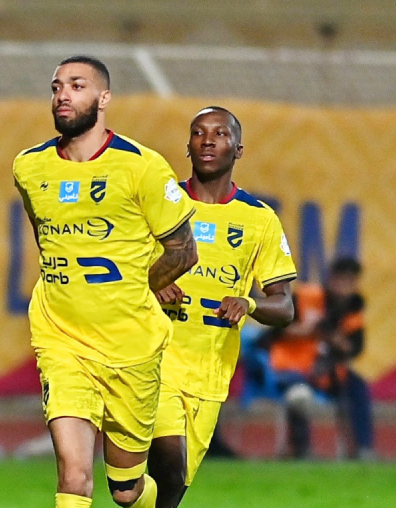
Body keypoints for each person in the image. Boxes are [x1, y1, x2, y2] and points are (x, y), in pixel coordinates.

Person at [12, 55, 198, 508]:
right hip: (62, 339)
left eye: (77, 86)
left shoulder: (141, 166)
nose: (63, 95)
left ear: (104, 98)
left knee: (126, 491)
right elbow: (46, 237)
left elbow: (183, 250)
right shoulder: (29, 167)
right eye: (57, 87)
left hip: (130, 347)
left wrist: (139, 285)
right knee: (73, 477)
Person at [149, 107, 297, 508]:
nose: (208, 141)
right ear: (188, 146)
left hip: (210, 375)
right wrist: (152, 281)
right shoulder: (162, 203)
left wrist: (248, 303)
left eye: (220, 134)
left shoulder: (259, 220)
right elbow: (121, 271)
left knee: (168, 492)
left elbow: (284, 306)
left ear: (238, 149)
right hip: (154, 361)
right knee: (168, 466)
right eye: (199, 133)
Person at [267, 257, 374, 459]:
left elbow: (354, 349)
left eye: (350, 281)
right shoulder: (305, 297)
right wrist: (308, 330)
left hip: (325, 371)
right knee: (299, 395)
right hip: (291, 367)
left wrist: (334, 338)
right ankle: (301, 450)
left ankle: (363, 449)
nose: (344, 286)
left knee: (357, 386)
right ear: (331, 278)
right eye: (341, 279)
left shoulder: (352, 309)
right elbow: (274, 331)